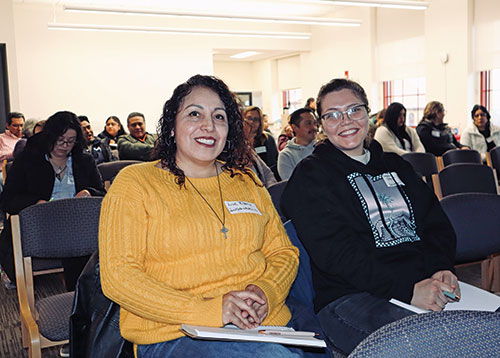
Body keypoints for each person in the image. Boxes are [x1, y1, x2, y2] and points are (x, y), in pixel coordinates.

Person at [99, 75, 322, 358]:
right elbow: (119, 276)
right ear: (171, 127)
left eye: (219, 116)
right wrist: (210, 309)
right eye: (194, 113)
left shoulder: (247, 182)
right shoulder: (135, 183)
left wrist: (266, 291)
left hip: (266, 325)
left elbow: (283, 252)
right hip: (175, 331)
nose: (209, 125)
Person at [281, 78, 458, 355]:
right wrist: (407, 289)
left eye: (354, 110)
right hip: (350, 297)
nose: (345, 121)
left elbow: (436, 224)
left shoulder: (396, 165)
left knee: (485, 330)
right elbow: (337, 255)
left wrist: (441, 267)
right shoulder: (310, 177)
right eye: (332, 115)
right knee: (438, 345)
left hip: (423, 285)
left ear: (368, 113)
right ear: (321, 124)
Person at [0, 111, 105, 292]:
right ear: (50, 136)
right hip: (42, 224)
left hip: (76, 222)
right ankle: (77, 296)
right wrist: (36, 203)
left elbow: (102, 194)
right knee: (77, 245)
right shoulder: (29, 160)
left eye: (70, 141)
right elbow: (8, 199)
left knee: (85, 241)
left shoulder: (83, 160)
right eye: (60, 140)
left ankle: (81, 296)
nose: (65, 146)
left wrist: (89, 192)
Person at [278, 108, 317, 180]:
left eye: (314, 123)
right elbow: (293, 185)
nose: (314, 127)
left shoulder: (323, 148)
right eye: (308, 123)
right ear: (294, 127)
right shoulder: (286, 155)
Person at [243, 106, 280, 180]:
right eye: (249, 118)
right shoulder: (237, 141)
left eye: (256, 119)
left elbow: (273, 163)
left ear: (260, 123)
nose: (251, 122)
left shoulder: (267, 139)